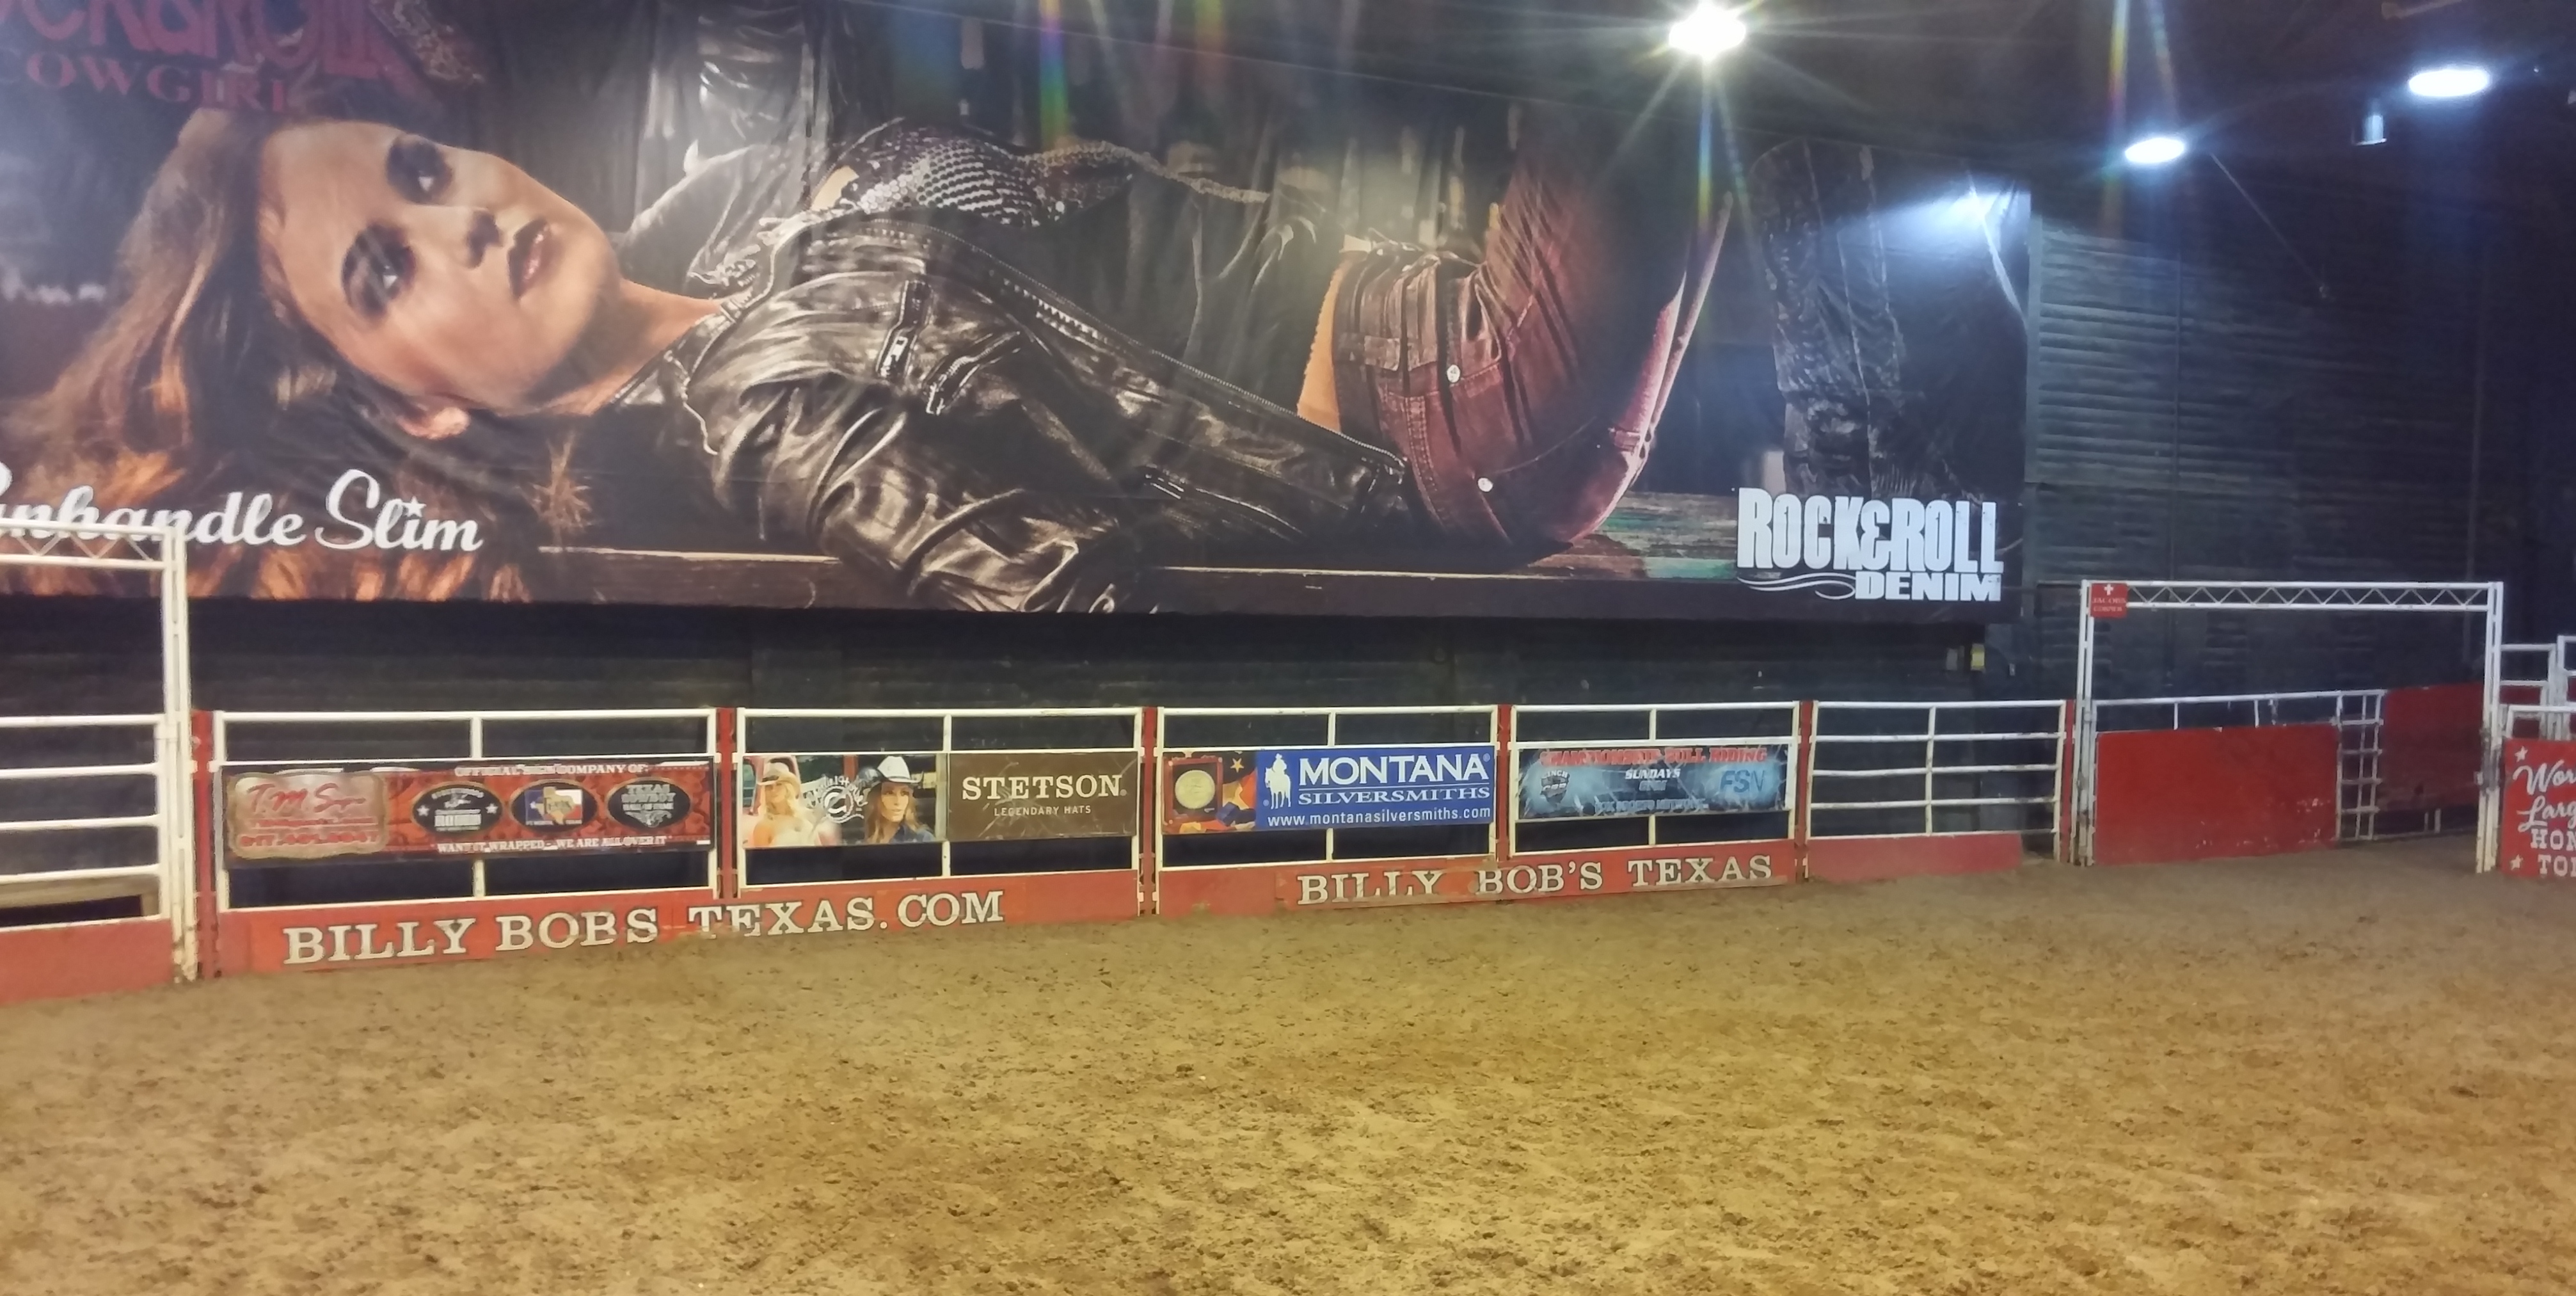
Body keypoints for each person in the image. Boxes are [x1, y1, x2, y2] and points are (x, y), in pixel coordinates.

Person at [12, 95, 1724, 609]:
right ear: (419, 403)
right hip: (1449, 408)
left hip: (1424, 309)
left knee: (1687, 98)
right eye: (386, 268)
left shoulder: (737, 235)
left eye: (416, 168)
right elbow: (1067, 593)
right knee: (1650, 74)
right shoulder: (758, 415)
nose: (456, 213)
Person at [745, 758, 838, 848]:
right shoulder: (764, 826)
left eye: (779, 784)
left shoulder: (807, 816)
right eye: (769, 787)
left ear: (788, 787)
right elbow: (761, 858)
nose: (773, 790)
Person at [860, 756, 936, 844]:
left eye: (904, 793)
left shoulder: (923, 839)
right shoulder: (860, 837)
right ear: (876, 797)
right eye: (889, 793)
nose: (898, 802)